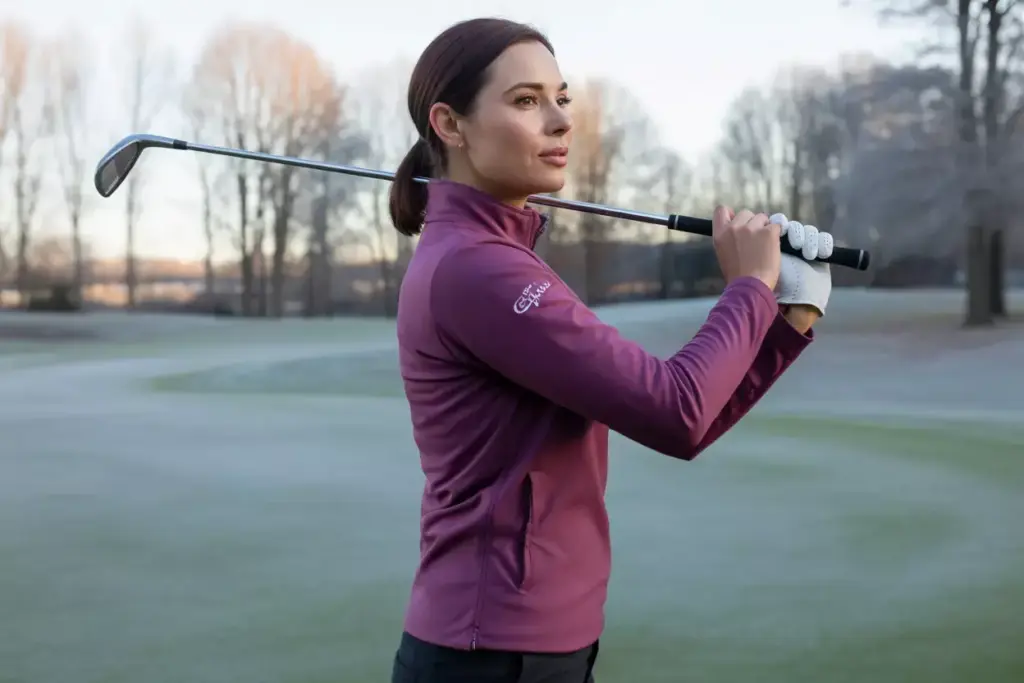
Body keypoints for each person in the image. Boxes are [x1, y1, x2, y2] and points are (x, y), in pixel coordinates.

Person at [386, 17, 833, 683]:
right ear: (450, 125)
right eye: (526, 100)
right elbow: (674, 409)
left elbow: (691, 418)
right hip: (490, 654)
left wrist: (787, 316)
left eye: (561, 98)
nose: (563, 122)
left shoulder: (495, 259)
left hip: (530, 646)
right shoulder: (479, 270)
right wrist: (749, 287)